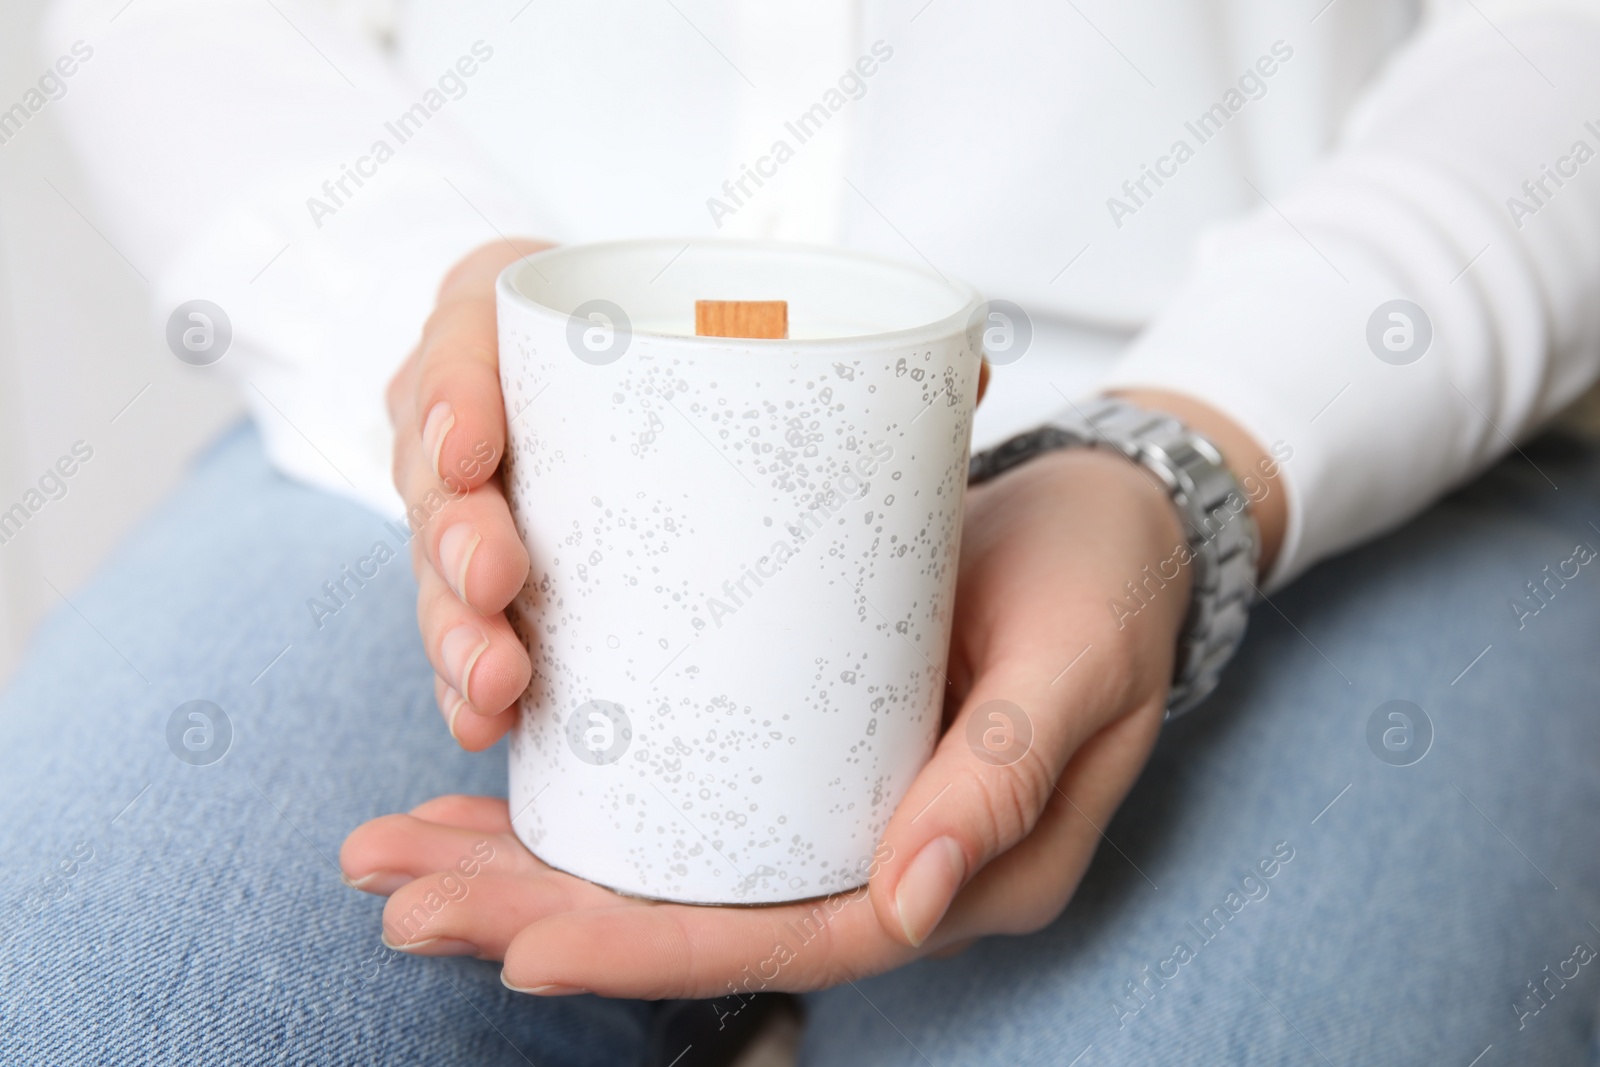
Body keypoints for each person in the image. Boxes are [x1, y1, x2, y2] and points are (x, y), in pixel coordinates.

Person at [5, 0, 1600, 1063]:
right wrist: (432, 319)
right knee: (94, 1013)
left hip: (1320, 425)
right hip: (468, 394)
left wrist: (1202, 451)